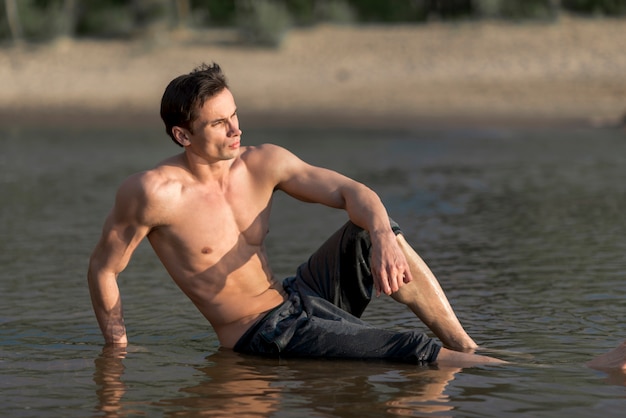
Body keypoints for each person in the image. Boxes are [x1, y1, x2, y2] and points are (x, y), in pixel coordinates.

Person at [88, 63, 625, 370]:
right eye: (219, 124)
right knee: (411, 354)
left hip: (297, 295)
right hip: (257, 334)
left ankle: (467, 347)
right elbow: (104, 268)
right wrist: (115, 347)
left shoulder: (262, 162)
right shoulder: (152, 193)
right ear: (183, 135)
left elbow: (352, 191)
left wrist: (383, 236)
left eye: (235, 116)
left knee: (373, 233)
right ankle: (580, 372)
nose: (235, 131)